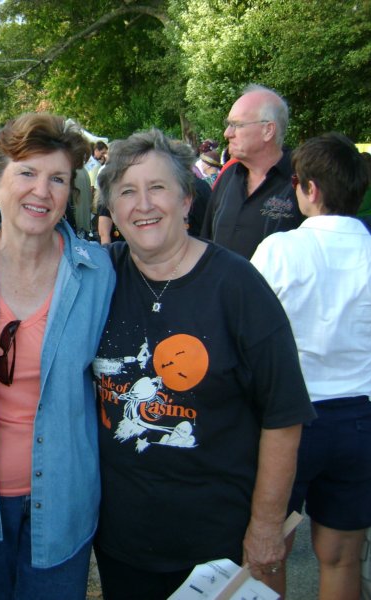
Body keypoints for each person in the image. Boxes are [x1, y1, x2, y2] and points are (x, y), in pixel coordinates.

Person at [91, 128, 314, 598]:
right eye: (127, 191)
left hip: (218, 545)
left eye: (158, 187)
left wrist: (266, 525)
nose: (143, 204)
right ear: (110, 207)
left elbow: (284, 414)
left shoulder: (237, 286)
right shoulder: (97, 276)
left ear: (187, 200)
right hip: (122, 541)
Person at [0, 113, 116, 599]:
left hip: (63, 498)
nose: (42, 191)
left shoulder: (98, 273)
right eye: (27, 173)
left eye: (57, 178)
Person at [250, 132, 371, 600]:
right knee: (342, 556)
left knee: (269, 550)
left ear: (311, 188)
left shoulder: (280, 249)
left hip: (289, 421)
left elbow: (249, 334)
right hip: (360, 418)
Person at [201, 84, 304, 259]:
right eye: (228, 124)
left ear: (268, 130)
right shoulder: (229, 175)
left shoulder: (302, 180)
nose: (227, 133)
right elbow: (206, 241)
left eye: (236, 125)